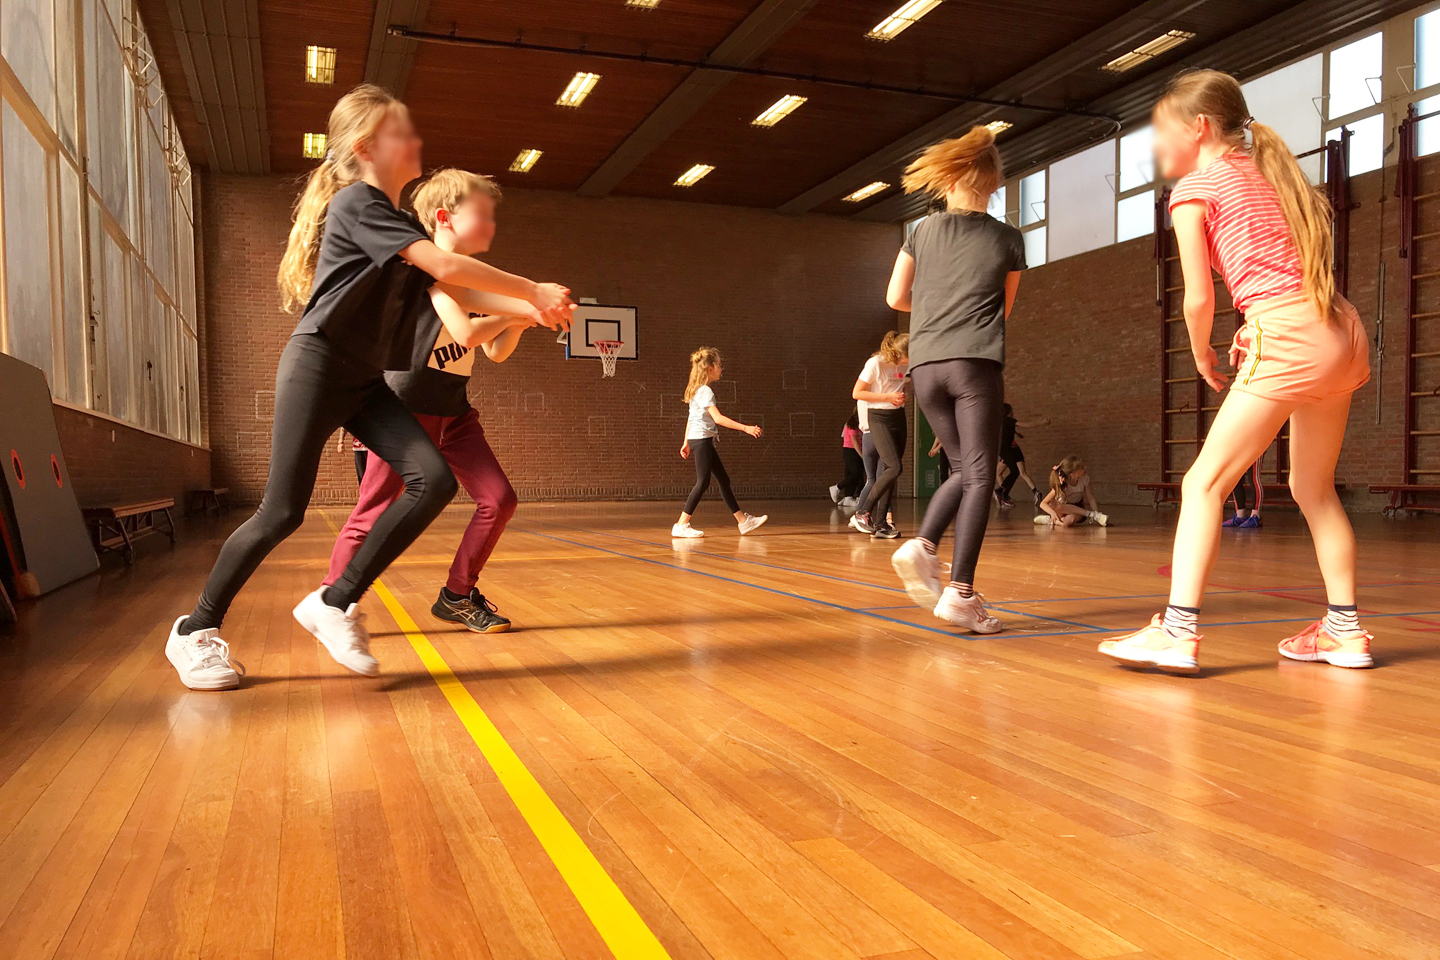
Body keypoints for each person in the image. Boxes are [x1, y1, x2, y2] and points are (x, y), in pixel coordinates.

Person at [164, 84, 573, 691]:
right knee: (281, 513)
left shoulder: (399, 223)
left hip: (362, 382)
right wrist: (531, 290)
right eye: (399, 133)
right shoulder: (359, 205)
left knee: (431, 481)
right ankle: (194, 630)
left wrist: (528, 310)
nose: (414, 141)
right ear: (365, 148)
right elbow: (449, 268)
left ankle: (334, 601)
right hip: (317, 367)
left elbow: (454, 294)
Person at [1099, 69, 1372, 675]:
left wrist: (1201, 351)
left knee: (1203, 485)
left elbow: (1198, 298)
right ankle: (1345, 631)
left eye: (1162, 133)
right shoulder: (1276, 171)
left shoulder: (1195, 189)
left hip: (1288, 334)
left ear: (1198, 128)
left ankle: (1176, 630)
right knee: (1313, 488)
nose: (1157, 147)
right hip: (1340, 331)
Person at [321, 169, 535, 636]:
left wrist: (518, 323)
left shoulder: (474, 283)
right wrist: (520, 308)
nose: (491, 225)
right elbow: (466, 333)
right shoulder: (426, 271)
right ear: (444, 218)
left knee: (498, 500)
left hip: (454, 410)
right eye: (482, 214)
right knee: (373, 510)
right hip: (405, 407)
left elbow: (494, 352)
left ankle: (457, 595)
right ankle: (332, 599)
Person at [884, 126, 1024, 632]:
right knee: (983, 477)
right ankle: (961, 593)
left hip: (924, 369)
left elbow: (895, 298)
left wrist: (936, 301)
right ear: (993, 184)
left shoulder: (920, 231)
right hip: (973, 366)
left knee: (965, 469)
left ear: (949, 180)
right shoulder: (1008, 238)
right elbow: (1002, 310)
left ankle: (922, 546)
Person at [671, 347, 768, 538]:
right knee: (703, 482)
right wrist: (745, 428)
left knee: (723, 480)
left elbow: (691, 419)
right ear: (708, 368)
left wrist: (686, 442)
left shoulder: (696, 389)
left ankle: (743, 522)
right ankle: (681, 524)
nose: (720, 369)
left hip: (698, 439)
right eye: (718, 365)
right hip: (701, 440)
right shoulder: (705, 390)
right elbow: (718, 419)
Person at [850, 332, 909, 540]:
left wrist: (902, 396)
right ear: (898, 352)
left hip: (898, 418)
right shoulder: (875, 363)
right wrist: (887, 397)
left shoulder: (906, 365)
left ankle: (882, 523)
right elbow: (857, 393)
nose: (909, 362)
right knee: (894, 467)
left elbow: (903, 383)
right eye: (907, 357)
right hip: (879, 417)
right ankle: (863, 512)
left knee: (890, 471)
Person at [994, 403, 1047, 507]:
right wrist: (1042, 422)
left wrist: (1017, 434)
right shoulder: (1009, 420)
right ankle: (1001, 492)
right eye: (1012, 410)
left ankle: (1003, 493)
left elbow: (1007, 431)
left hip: (1006, 449)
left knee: (1015, 471)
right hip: (1006, 450)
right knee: (1015, 471)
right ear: (1009, 412)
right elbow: (1027, 425)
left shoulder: (1002, 422)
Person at [1034, 456, 1108, 527]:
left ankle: (1050, 520)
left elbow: (1090, 498)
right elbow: (1043, 503)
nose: (1085, 468)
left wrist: (1097, 512)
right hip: (1062, 509)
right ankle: (1091, 514)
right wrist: (1052, 513)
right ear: (1073, 474)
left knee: (1069, 521)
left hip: (1077, 509)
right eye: (1081, 468)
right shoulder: (1062, 484)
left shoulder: (1084, 479)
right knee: (1057, 510)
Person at [830, 412, 865, 507]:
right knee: (856, 473)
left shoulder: (860, 424)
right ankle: (837, 487)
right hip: (850, 450)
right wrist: (861, 455)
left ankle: (848, 497)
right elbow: (854, 442)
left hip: (856, 450)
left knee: (850, 473)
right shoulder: (851, 424)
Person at [1223, 459, 1264, 527]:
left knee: (1254, 477)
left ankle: (1256, 515)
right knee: (1235, 478)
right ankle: (1240, 515)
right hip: (1237, 448)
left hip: (1254, 448)